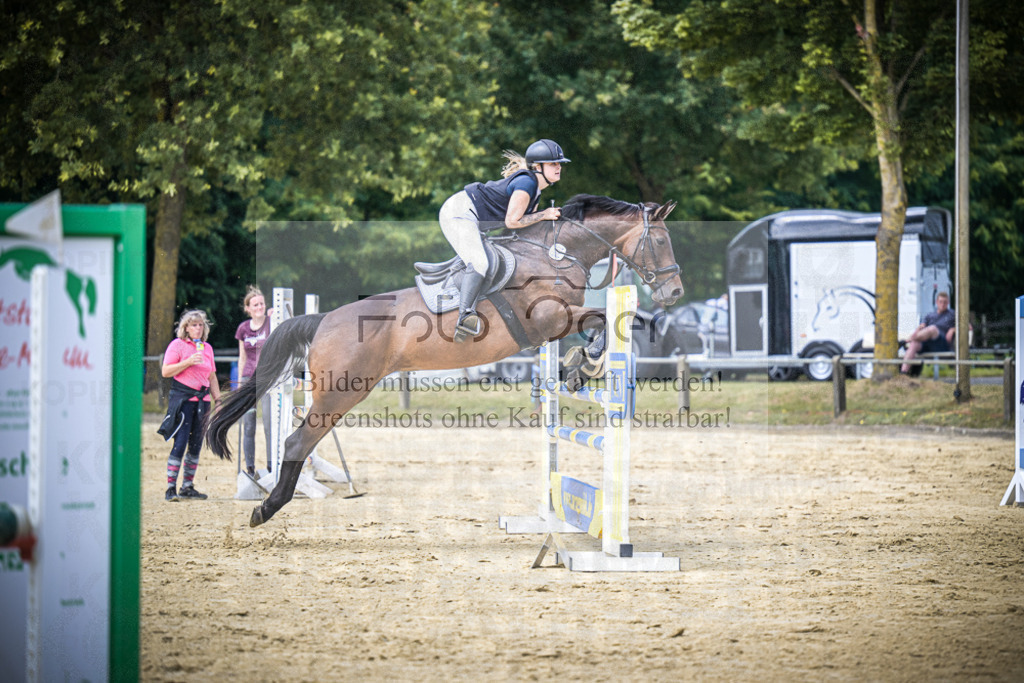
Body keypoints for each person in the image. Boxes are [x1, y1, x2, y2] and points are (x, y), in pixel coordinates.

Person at [439, 139, 569, 341]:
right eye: (553, 163)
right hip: (458, 213)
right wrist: (544, 215)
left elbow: (524, 228)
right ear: (538, 167)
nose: (559, 167)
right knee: (480, 263)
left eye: (559, 163)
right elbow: (512, 221)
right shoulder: (527, 183)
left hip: (473, 217)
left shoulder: (535, 190)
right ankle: (465, 317)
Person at [157, 309, 221, 501]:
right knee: (181, 442)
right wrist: (188, 361)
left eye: (201, 325)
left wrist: (218, 400)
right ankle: (170, 488)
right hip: (184, 400)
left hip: (203, 401)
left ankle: (187, 486)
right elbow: (166, 371)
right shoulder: (177, 345)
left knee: (196, 445)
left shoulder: (207, 348)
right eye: (194, 325)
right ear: (186, 327)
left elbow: (212, 376)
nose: (198, 328)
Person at [235, 285, 273, 476]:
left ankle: (271, 465)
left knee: (268, 423)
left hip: (267, 379)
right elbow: (242, 357)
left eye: (262, 304)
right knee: (249, 424)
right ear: (248, 308)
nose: (259, 307)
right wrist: (240, 384)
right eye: (255, 305)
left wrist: (278, 313)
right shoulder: (243, 328)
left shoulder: (271, 322)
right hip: (249, 378)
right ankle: (249, 468)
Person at [901, 291, 957, 374]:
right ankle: (903, 373)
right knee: (914, 344)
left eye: (945, 302)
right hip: (927, 343)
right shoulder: (930, 315)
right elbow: (921, 327)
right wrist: (917, 331)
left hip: (942, 344)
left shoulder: (952, 314)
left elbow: (967, 326)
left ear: (948, 303)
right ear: (936, 302)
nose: (942, 304)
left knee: (932, 328)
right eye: (940, 302)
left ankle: (906, 341)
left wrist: (953, 329)